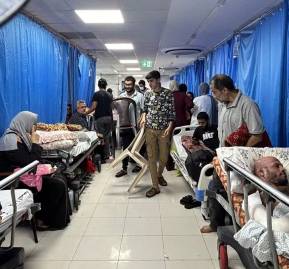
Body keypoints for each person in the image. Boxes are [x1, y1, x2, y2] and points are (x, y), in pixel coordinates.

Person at [200, 74, 268, 233]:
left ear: (225, 90)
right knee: (215, 187)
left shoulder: (248, 105)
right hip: (224, 156)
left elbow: (257, 135)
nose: (213, 95)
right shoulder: (222, 104)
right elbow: (222, 132)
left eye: (214, 91)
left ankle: (248, 227)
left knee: (241, 193)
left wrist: (238, 152)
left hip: (240, 159)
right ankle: (215, 224)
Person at [0, 111, 70, 230]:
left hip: (25, 174)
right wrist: (35, 143)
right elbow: (30, 162)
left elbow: (31, 162)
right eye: (33, 124)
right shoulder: (10, 140)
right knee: (56, 185)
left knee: (60, 177)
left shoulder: (21, 136)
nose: (34, 128)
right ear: (25, 122)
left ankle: (61, 219)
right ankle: (44, 219)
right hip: (13, 180)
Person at [140, 70, 176, 198]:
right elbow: (144, 109)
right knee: (151, 158)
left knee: (164, 158)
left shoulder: (168, 94)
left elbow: (172, 113)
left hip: (164, 130)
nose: (150, 84)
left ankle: (159, 174)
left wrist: (170, 127)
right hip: (150, 129)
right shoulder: (147, 94)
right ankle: (155, 186)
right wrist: (144, 117)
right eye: (148, 81)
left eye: (152, 81)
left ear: (158, 80)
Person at [115, 76, 144, 177]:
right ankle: (124, 168)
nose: (127, 86)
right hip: (125, 126)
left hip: (137, 126)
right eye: (126, 84)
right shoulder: (121, 96)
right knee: (125, 147)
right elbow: (117, 110)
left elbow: (144, 110)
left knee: (139, 147)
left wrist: (142, 122)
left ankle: (139, 165)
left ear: (133, 84)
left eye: (129, 84)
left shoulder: (140, 96)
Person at [86, 78, 113, 161]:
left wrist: (86, 113)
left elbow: (94, 107)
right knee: (107, 137)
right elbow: (111, 107)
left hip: (100, 118)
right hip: (109, 118)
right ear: (106, 85)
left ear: (98, 85)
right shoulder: (110, 95)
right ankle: (107, 155)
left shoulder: (96, 94)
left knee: (100, 137)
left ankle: (101, 156)